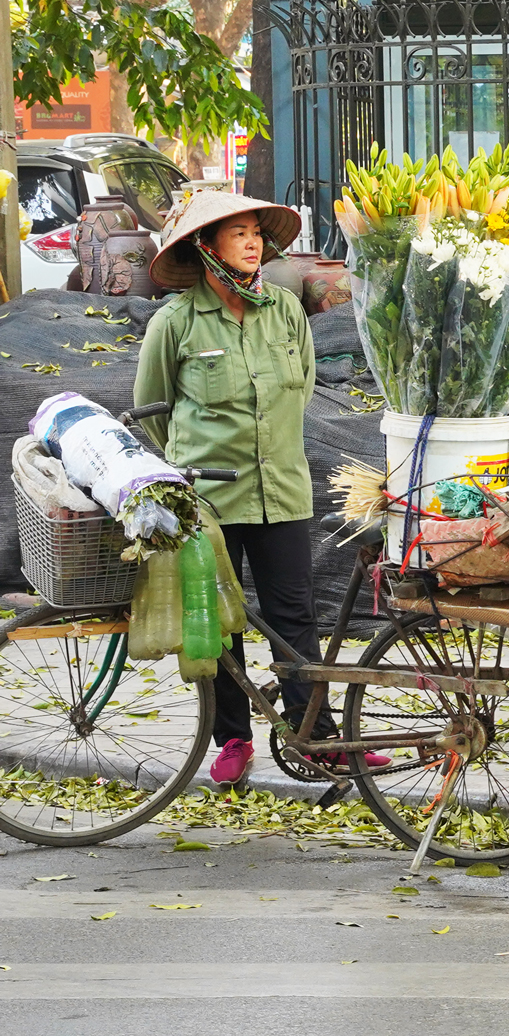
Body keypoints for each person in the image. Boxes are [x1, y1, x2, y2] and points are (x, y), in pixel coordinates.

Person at [134, 191, 388, 785]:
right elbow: (153, 408)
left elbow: (298, 389)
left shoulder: (283, 309)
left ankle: (314, 734)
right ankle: (231, 741)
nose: (253, 244)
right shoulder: (175, 321)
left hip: (282, 487)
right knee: (215, 621)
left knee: (293, 614)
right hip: (209, 497)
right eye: (238, 235)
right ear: (207, 248)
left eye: (256, 233)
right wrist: (194, 456)